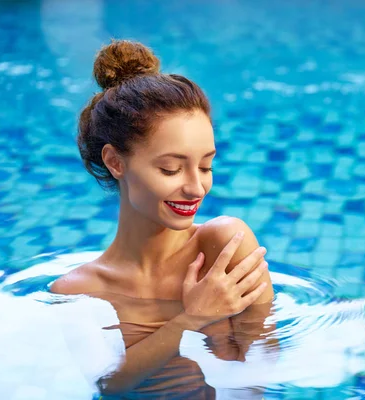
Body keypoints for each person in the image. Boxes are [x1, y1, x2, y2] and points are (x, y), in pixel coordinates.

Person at [50, 40, 275, 397]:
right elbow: (109, 385)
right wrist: (192, 319)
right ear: (115, 162)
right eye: (171, 169)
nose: (196, 187)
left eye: (206, 165)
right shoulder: (77, 290)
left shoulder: (225, 245)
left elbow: (263, 363)